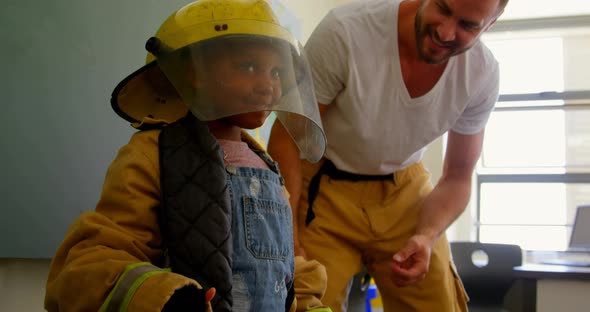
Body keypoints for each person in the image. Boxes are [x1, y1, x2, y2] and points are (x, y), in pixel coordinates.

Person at [44, 1, 331, 311]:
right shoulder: (154, 155)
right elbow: (92, 262)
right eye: (248, 67)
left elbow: (286, 271)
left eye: (277, 71)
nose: (268, 86)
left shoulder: (268, 169)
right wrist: (165, 298)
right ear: (194, 72)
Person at [267, 0, 509, 311]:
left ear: (489, 24)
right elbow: (287, 139)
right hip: (324, 184)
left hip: (406, 190)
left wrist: (426, 236)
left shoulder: (482, 73)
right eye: (443, 8)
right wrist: (290, 238)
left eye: (468, 25)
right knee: (305, 299)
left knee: (439, 302)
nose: (446, 32)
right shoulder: (346, 31)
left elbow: (458, 177)